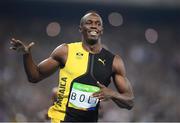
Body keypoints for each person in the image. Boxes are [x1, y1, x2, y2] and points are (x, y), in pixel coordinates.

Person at [10, 11, 134, 122]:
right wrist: (26, 55)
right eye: (89, 22)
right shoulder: (65, 51)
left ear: (101, 29)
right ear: (81, 28)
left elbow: (129, 102)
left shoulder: (114, 62)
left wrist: (112, 94)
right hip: (61, 119)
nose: (93, 26)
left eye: (97, 23)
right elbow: (34, 76)